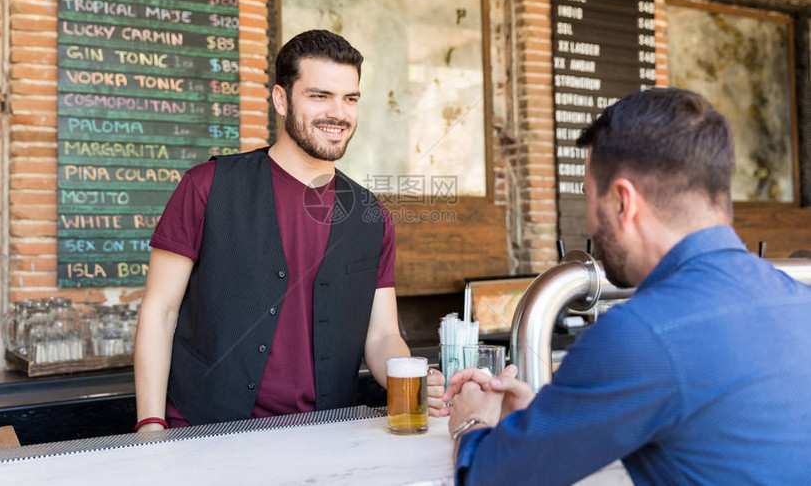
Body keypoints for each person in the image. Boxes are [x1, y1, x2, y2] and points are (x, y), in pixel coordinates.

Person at [442, 87, 811, 484]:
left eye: (589, 198)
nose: (588, 225)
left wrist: (471, 422)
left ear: (622, 202)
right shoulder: (801, 301)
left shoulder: (638, 334)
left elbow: (490, 479)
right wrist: (541, 417)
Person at [134, 30, 444, 431]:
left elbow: (382, 335)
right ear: (281, 99)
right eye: (320, 96)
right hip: (203, 432)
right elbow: (160, 312)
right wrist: (150, 423)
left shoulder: (372, 215)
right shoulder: (207, 186)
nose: (339, 113)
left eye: (350, 98)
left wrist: (417, 384)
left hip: (325, 435)